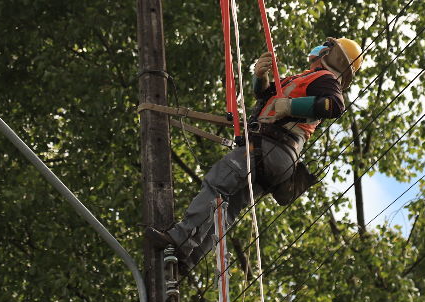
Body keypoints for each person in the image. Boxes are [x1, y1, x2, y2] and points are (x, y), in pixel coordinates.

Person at [147, 37, 364, 271]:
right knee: (227, 210)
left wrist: (291, 108)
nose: (318, 50)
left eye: (325, 48)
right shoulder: (303, 79)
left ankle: (179, 237)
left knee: (217, 183)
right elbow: (264, 96)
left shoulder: (325, 79)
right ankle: (188, 258)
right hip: (277, 158)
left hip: (270, 147)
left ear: (334, 56)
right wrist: (261, 76)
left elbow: (335, 106)